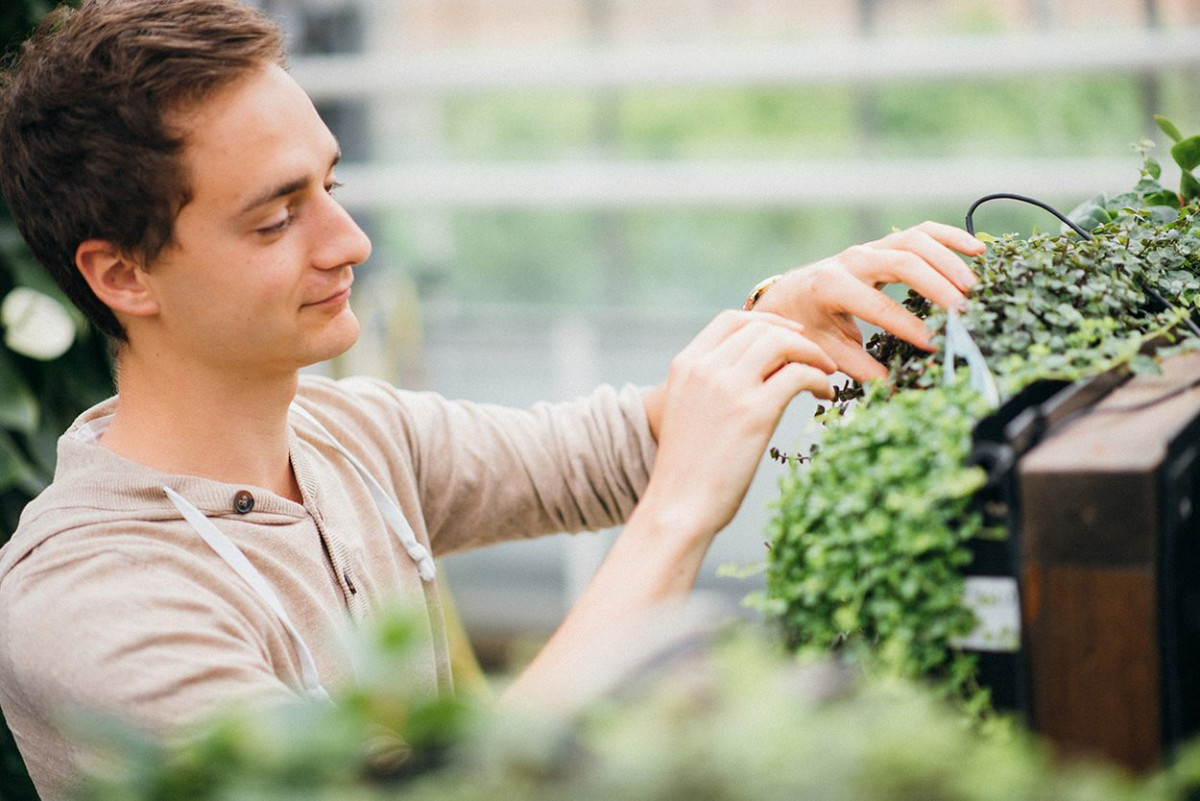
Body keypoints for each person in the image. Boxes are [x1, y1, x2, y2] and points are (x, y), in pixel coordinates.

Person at [0, 1, 984, 798]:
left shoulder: (350, 435)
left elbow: (609, 449)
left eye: (331, 186)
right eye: (276, 218)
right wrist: (678, 517)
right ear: (124, 275)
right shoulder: (91, 605)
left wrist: (777, 321)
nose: (349, 243)